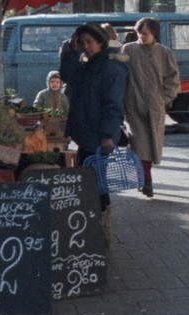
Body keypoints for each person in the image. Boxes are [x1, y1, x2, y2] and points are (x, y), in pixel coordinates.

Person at [59, 22, 128, 245]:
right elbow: (68, 76)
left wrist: (107, 135)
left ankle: (101, 230)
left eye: (90, 42)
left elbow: (113, 105)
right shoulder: (90, 65)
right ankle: (94, 227)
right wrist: (72, 48)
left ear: (101, 42)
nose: (86, 46)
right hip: (86, 134)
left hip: (99, 136)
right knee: (91, 182)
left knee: (97, 183)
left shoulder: (110, 67)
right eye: (83, 42)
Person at [121, 16, 180, 198]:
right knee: (139, 143)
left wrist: (165, 97)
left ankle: (144, 178)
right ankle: (146, 180)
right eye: (139, 33)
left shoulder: (164, 53)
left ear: (153, 33)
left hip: (155, 105)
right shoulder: (129, 49)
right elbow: (121, 75)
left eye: (145, 33)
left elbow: (173, 77)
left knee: (152, 143)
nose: (141, 37)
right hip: (133, 103)